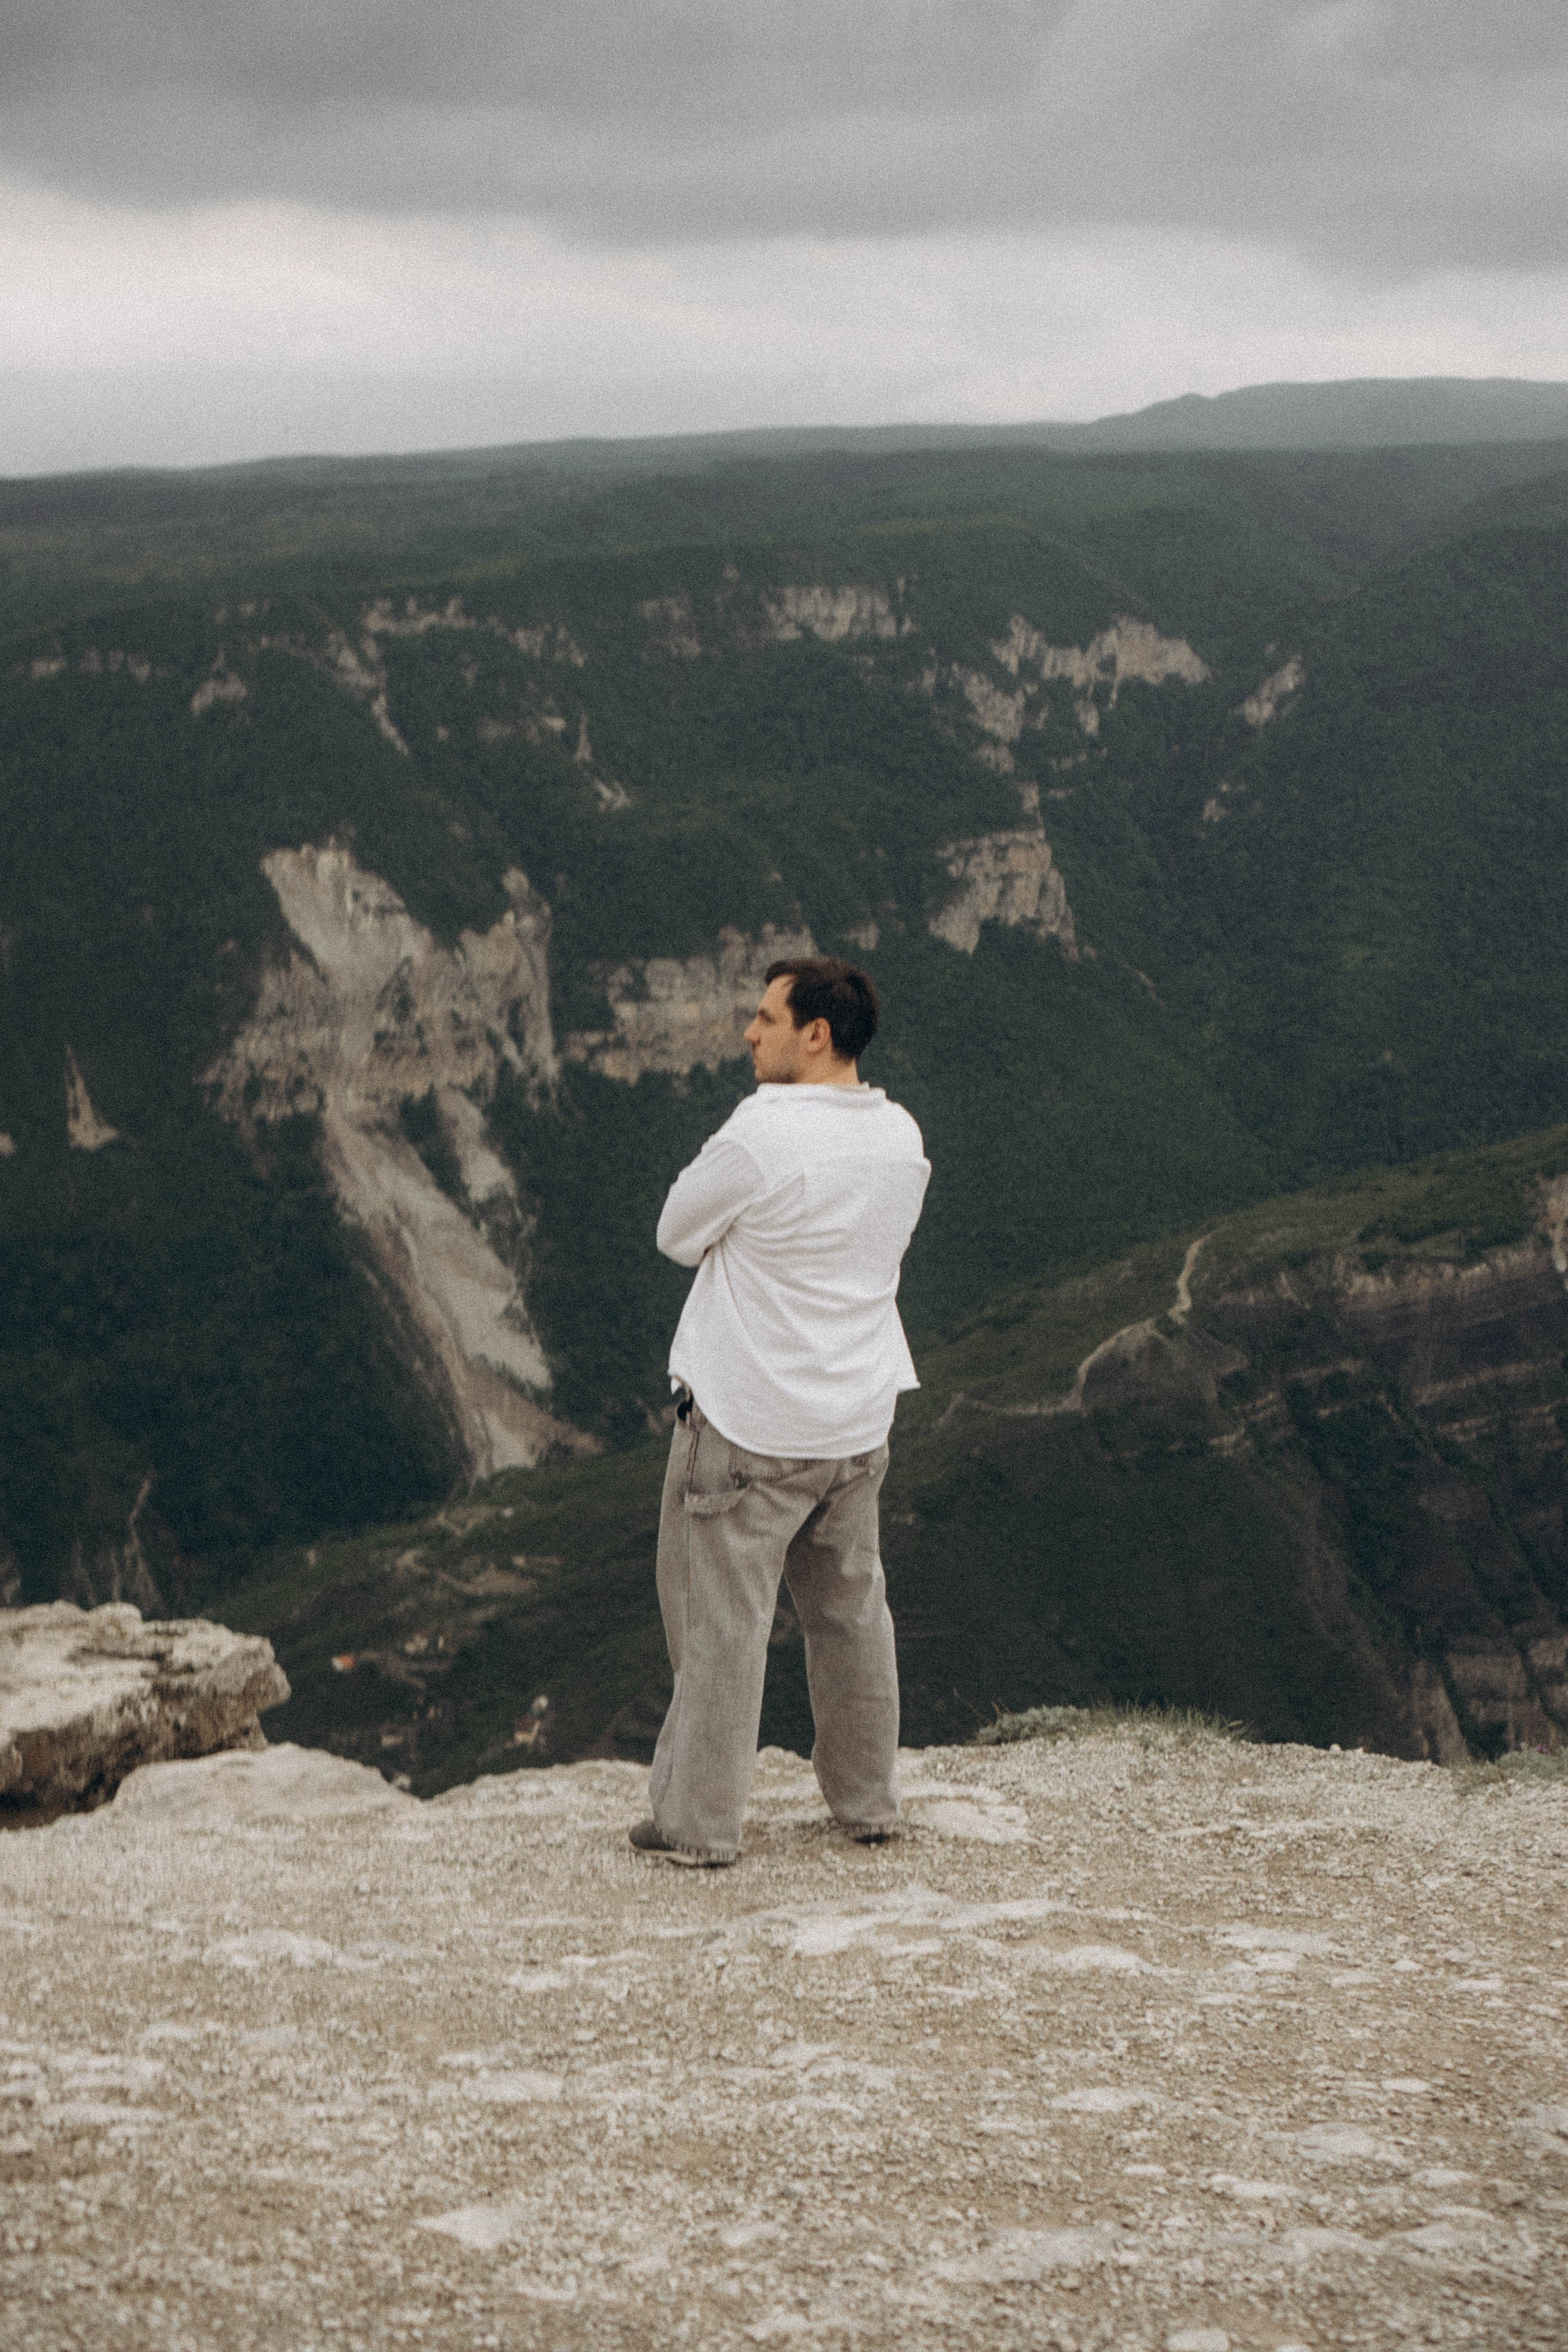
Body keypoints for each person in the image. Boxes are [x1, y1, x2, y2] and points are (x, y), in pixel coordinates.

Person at [628, 956, 930, 1866]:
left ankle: (700, 1824)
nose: (748, 1034)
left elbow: (676, 1233)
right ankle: (868, 1801)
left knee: (720, 1627)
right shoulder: (900, 1134)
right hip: (855, 1421)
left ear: (817, 1035)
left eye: (764, 1018)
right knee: (851, 1616)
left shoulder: (762, 1131)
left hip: (749, 1422)